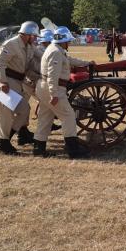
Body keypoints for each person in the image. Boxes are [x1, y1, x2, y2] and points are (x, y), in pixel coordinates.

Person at [0, 21, 40, 154]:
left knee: (24, 110)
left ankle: (4, 139)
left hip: (16, 82)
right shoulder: (11, 44)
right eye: (34, 36)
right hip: (5, 82)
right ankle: (2, 144)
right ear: (27, 34)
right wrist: (3, 82)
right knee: (5, 114)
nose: (36, 38)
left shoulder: (29, 47)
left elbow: (34, 63)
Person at [33, 27, 93, 158]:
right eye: (68, 41)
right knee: (68, 116)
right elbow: (53, 75)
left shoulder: (56, 50)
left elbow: (69, 60)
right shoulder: (55, 52)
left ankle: (39, 148)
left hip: (44, 87)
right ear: (63, 41)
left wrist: (87, 63)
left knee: (45, 117)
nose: (69, 44)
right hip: (53, 88)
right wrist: (54, 94)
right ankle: (73, 149)